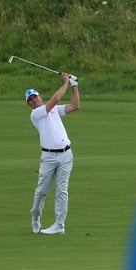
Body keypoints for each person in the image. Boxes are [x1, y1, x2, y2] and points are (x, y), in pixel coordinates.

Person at [25, 72, 80, 235]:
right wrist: (65, 82)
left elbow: (75, 106)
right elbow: (55, 99)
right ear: (29, 104)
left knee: (62, 190)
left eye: (35, 97)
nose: (34, 100)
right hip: (48, 157)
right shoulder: (36, 114)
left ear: (40, 97)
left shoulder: (54, 110)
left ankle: (59, 225)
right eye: (30, 100)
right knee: (41, 191)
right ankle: (35, 216)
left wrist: (74, 85)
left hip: (65, 155)